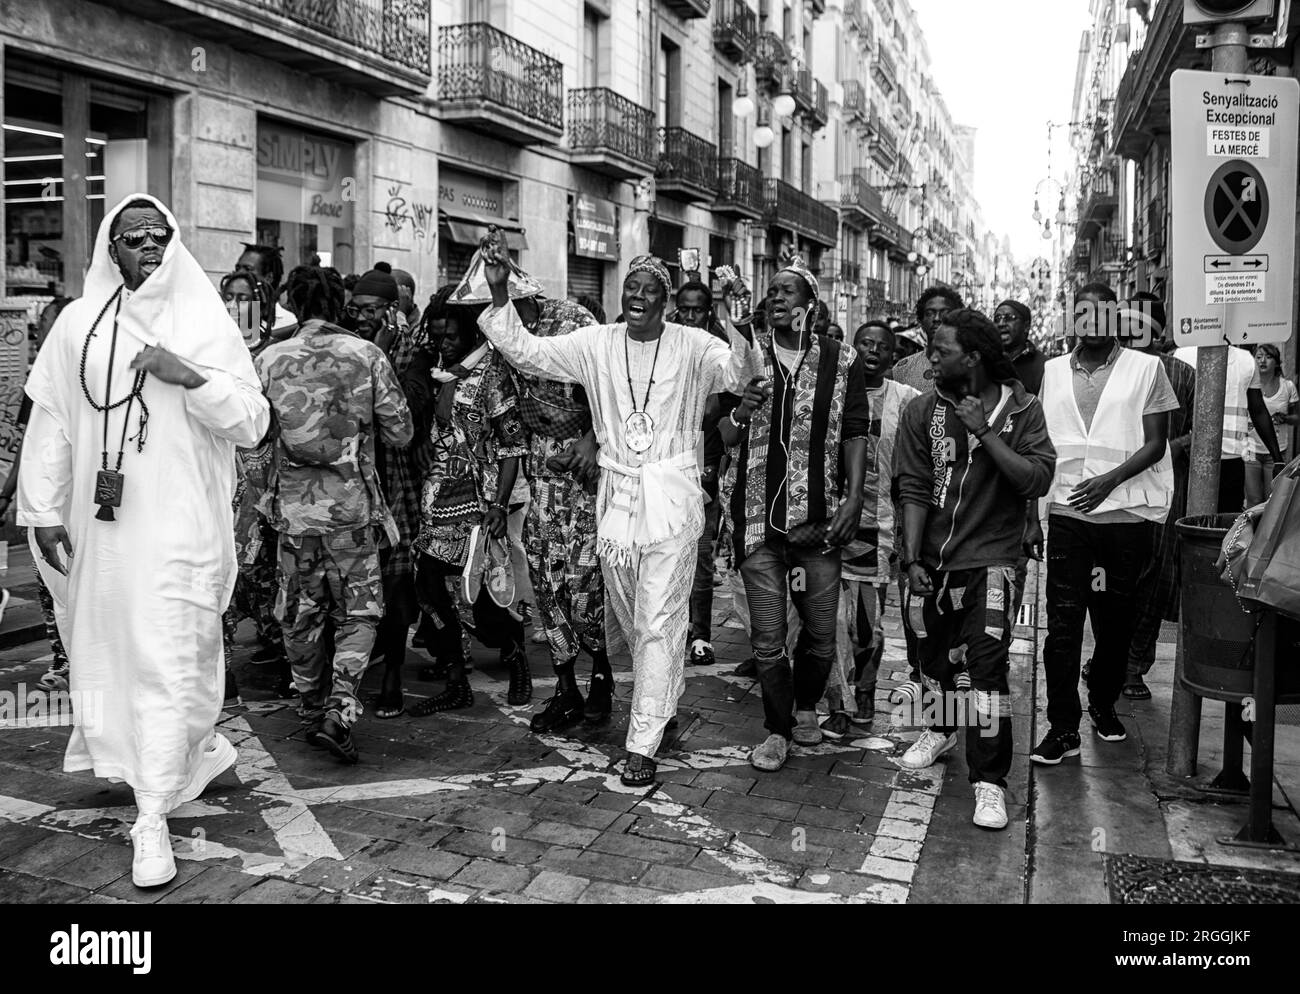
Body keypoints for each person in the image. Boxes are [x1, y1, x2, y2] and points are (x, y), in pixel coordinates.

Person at [17, 194, 270, 887]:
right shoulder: (77, 324)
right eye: (134, 238)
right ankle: (201, 751)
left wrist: (188, 375)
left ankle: (152, 814)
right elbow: (53, 424)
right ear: (111, 249)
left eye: (162, 235)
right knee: (119, 652)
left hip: (182, 525)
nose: (151, 246)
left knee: (169, 653)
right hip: (106, 529)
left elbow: (252, 421)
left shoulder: (203, 319)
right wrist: (40, 509)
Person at [477, 239, 758, 786]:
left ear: (665, 299)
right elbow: (527, 351)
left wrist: (735, 319)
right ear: (622, 295)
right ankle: (665, 691)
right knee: (632, 617)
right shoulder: (594, 343)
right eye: (631, 289)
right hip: (618, 498)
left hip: (672, 497)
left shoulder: (694, 343)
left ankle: (643, 740)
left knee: (657, 617)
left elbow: (739, 377)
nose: (639, 298)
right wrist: (495, 289)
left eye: (651, 291)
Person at [894, 309, 1055, 830]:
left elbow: (1034, 479)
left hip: (993, 561)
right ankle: (941, 729)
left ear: (974, 357)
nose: (930, 358)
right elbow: (914, 488)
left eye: (939, 350)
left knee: (985, 670)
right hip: (933, 563)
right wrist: (913, 557)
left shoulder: (1023, 410)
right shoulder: (921, 411)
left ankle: (989, 782)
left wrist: (983, 432)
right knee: (934, 662)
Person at [716, 258, 869, 773]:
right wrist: (741, 408)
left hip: (818, 519)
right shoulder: (744, 356)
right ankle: (777, 730)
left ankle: (806, 708)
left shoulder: (841, 360)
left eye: (787, 291)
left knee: (822, 630)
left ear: (810, 306)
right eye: (771, 291)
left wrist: (852, 502)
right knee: (767, 634)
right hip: (756, 518)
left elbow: (853, 432)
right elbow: (721, 435)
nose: (776, 298)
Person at [257, 266, 413, 760]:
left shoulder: (267, 360)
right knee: (360, 611)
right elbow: (401, 432)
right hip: (351, 511)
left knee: (300, 612)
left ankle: (308, 701)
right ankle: (341, 707)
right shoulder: (367, 356)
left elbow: (252, 435)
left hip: (294, 515)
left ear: (294, 307)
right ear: (339, 304)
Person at [1027, 282, 1177, 764]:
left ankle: (1104, 706)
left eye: (1102, 311)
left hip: (1125, 517)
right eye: (1083, 311)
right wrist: (1034, 517)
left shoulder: (1146, 368)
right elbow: (1042, 446)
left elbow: (1157, 443)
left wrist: (1109, 481)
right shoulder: (1050, 373)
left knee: (1114, 625)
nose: (1092, 319)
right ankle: (1062, 727)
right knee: (1063, 626)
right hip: (1069, 516)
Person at [483, 282, 612, 734]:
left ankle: (602, 675)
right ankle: (565, 689)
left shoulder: (574, 321)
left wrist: (592, 440)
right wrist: (501, 499)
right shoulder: (497, 334)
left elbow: (613, 387)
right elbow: (508, 422)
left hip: (587, 476)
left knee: (584, 586)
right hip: (541, 477)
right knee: (546, 586)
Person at [411, 296, 532, 714]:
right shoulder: (431, 370)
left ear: (472, 332)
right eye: (437, 334)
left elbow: (513, 444)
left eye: (451, 335)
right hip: (436, 498)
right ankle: (455, 679)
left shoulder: (492, 373)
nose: (442, 342)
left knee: (478, 596)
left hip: (478, 502)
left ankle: (514, 652)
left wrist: (499, 504)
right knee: (429, 586)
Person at [819, 321, 918, 739]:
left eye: (882, 346)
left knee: (864, 624)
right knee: (827, 620)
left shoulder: (909, 401)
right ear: (851, 349)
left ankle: (866, 687)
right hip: (824, 525)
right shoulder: (831, 394)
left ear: (893, 357)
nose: (873, 351)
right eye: (865, 343)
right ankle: (838, 702)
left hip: (877, 529)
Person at [343, 268, 433, 715]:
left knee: (397, 582)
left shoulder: (413, 349)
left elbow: (414, 405)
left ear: (391, 311)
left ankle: (393, 671)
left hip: (397, 481)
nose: (360, 317)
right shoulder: (346, 346)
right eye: (356, 309)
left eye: (370, 310)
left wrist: (376, 353)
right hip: (353, 481)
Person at [217, 269, 287, 694]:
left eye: (245, 297)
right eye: (228, 296)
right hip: (223, 477)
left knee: (266, 576)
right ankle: (222, 670)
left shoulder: (274, 354)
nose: (235, 305)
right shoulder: (212, 350)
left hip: (266, 480)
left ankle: (282, 654)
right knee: (221, 571)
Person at [1121, 294, 1195, 700]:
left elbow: (1204, 429)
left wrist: (1174, 445)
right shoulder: (1113, 370)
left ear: (1157, 328)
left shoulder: (1182, 373)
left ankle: (1134, 665)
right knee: (1115, 577)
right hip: (1117, 490)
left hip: (1165, 493)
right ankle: (1112, 659)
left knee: (1155, 579)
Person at [672, 280, 736, 670]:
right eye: (684, 309)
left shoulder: (719, 351)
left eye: (697, 309)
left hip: (704, 467)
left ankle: (700, 636)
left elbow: (725, 417)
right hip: (664, 466)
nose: (690, 316)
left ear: (709, 311)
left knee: (700, 559)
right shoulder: (665, 344)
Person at [1174, 341, 1281, 512]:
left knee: (1226, 522)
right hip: (1189, 457)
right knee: (1188, 521)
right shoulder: (1182, 354)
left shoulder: (1245, 360)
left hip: (1231, 458)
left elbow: (1258, 409)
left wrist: (1278, 458)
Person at [1246, 344, 1298, 504]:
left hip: (1277, 453)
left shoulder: (1287, 386)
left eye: (1268, 357)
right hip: (1250, 451)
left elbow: (1297, 418)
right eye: (1259, 357)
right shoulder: (1248, 385)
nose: (1262, 361)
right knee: (1253, 500)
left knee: (1272, 500)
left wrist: (1286, 418)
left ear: (1276, 362)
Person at [891, 288, 964, 392]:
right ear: (921, 320)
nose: (937, 319)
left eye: (945, 313)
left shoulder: (968, 367)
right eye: (930, 313)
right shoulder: (902, 369)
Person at [234, 243, 296, 338]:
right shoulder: (228, 314)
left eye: (248, 269)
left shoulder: (289, 322)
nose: (239, 273)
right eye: (238, 268)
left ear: (268, 278)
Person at [992, 300, 1045, 396]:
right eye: (997, 319)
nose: (1001, 323)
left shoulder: (1043, 366)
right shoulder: (987, 362)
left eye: (1009, 318)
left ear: (1026, 326)